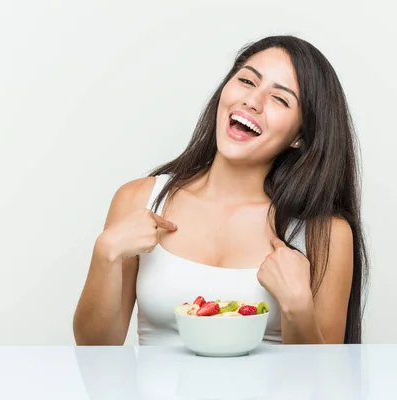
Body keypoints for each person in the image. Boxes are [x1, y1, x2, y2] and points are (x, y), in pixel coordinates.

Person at [73, 35, 369, 346]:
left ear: (300, 137)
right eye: (246, 80)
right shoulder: (138, 199)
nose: (252, 101)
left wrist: (297, 307)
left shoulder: (325, 234)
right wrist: (104, 253)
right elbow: (95, 352)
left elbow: (327, 383)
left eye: (280, 99)